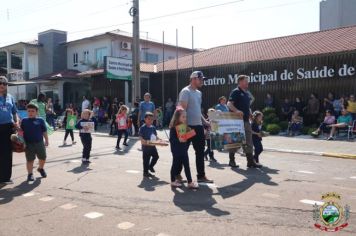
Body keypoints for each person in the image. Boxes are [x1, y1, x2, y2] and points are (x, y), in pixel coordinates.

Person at [179, 71, 213, 183]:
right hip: (188, 126)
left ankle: (201, 176)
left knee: (200, 151)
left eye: (202, 79)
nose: (202, 80)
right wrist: (183, 128)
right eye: (200, 79)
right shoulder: (185, 91)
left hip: (198, 127)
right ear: (193, 79)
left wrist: (205, 122)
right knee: (182, 151)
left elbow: (197, 111)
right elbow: (182, 110)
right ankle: (177, 174)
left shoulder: (199, 93)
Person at [227, 75, 262, 168]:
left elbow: (247, 106)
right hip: (237, 122)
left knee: (249, 141)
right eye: (246, 81)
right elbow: (229, 104)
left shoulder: (246, 93)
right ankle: (231, 160)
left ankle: (250, 161)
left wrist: (250, 114)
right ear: (240, 82)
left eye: (247, 81)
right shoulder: (236, 92)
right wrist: (237, 111)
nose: (248, 83)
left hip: (246, 121)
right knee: (235, 141)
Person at [169, 108, 199, 189]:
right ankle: (172, 181)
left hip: (183, 149)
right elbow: (171, 139)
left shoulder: (184, 126)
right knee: (175, 165)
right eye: (183, 116)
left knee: (186, 165)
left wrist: (193, 132)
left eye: (185, 116)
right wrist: (178, 139)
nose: (185, 118)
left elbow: (190, 133)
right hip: (176, 150)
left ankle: (190, 182)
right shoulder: (173, 127)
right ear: (177, 117)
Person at [21, 103, 49, 181]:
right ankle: (30, 174)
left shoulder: (40, 120)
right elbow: (20, 132)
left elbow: (44, 131)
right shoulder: (24, 121)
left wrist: (46, 140)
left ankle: (40, 168)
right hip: (28, 144)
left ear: (37, 112)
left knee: (43, 157)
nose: (30, 113)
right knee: (30, 160)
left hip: (39, 142)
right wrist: (21, 142)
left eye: (32, 111)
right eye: (29, 111)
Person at [0, 76, 19, 184]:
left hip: (8, 127)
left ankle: (6, 178)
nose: (2, 85)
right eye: (0, 83)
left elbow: (14, 111)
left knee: (7, 153)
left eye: (4, 83)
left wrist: (16, 122)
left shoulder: (10, 97)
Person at [139, 112, 160, 178]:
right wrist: (145, 142)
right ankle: (145, 173)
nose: (150, 120)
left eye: (152, 119)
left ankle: (150, 166)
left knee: (156, 157)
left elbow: (155, 136)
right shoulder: (142, 128)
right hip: (145, 147)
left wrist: (160, 140)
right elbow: (141, 138)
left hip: (152, 146)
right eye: (149, 119)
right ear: (145, 119)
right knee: (146, 160)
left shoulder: (153, 127)